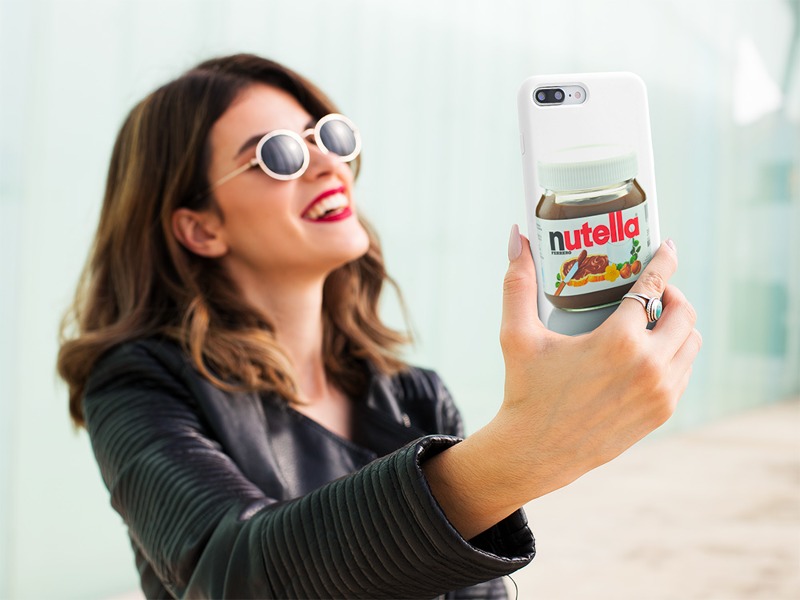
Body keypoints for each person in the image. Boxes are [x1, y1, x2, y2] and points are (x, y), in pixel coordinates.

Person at [57, 53, 701, 599]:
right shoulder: (137, 385)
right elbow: (232, 572)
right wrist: (521, 452)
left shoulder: (414, 396)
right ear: (200, 228)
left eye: (327, 137)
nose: (325, 165)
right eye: (278, 155)